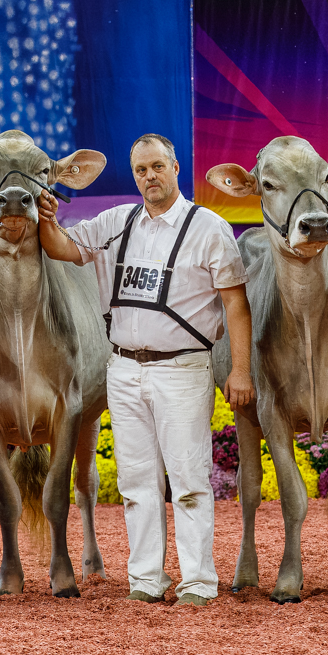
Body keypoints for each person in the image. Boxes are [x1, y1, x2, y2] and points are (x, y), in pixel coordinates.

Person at [37, 132, 253, 608]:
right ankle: (146, 579)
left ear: (176, 168)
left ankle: (198, 582)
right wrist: (47, 219)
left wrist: (240, 369)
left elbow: (236, 305)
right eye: (140, 170)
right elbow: (62, 249)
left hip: (183, 368)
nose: (149, 176)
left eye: (157, 166)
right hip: (123, 368)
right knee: (136, 483)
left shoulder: (210, 228)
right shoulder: (116, 222)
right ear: (134, 176)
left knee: (189, 480)